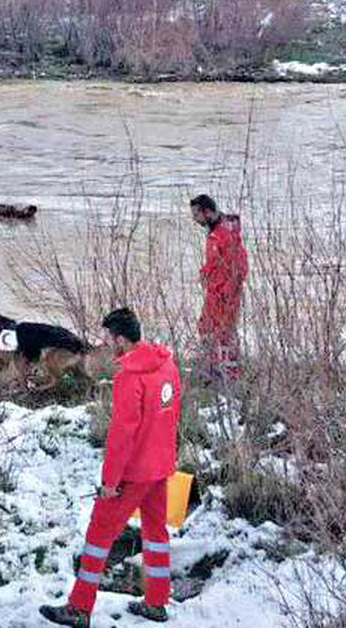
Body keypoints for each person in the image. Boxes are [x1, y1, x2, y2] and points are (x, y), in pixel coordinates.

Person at [40, 308, 182, 627]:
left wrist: (109, 482)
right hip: (160, 467)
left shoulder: (128, 377)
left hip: (132, 473)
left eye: (109, 338)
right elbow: (171, 415)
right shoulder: (167, 365)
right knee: (156, 533)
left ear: (120, 338)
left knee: (99, 534)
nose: (108, 344)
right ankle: (157, 602)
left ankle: (79, 608)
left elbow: (121, 436)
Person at [190, 194, 248, 381]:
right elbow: (218, 262)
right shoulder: (219, 231)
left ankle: (225, 374)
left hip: (223, 293)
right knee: (209, 329)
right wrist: (205, 273)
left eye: (196, 215)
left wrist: (226, 292)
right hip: (217, 291)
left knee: (220, 332)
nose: (195, 220)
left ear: (207, 212)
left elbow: (239, 266)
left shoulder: (225, 233)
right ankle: (216, 369)